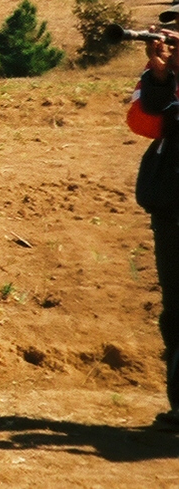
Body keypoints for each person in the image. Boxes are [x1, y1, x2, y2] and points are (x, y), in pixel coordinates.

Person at [129, 29, 179, 430]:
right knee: (177, 312)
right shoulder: (161, 75)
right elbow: (144, 124)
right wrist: (161, 79)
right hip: (173, 208)